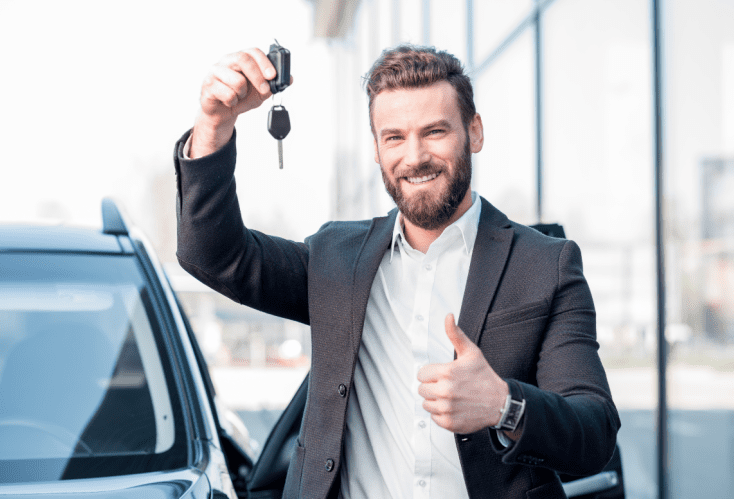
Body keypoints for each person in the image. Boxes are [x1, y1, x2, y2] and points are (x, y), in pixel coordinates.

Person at [173, 44, 620, 499]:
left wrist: (503, 405)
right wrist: (213, 124)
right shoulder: (334, 260)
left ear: (475, 132)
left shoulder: (545, 264)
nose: (415, 156)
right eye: (395, 137)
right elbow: (213, 255)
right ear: (376, 149)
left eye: (435, 132)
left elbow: (595, 430)